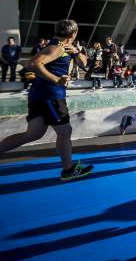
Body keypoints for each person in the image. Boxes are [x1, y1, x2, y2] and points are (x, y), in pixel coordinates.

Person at [0, 20, 92, 180]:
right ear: (73, 34)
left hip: (41, 95)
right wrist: (57, 80)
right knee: (65, 131)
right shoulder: (57, 48)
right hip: (51, 96)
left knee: (33, 134)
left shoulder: (65, 47)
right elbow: (32, 64)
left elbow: (85, 64)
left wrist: (76, 51)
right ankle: (69, 170)